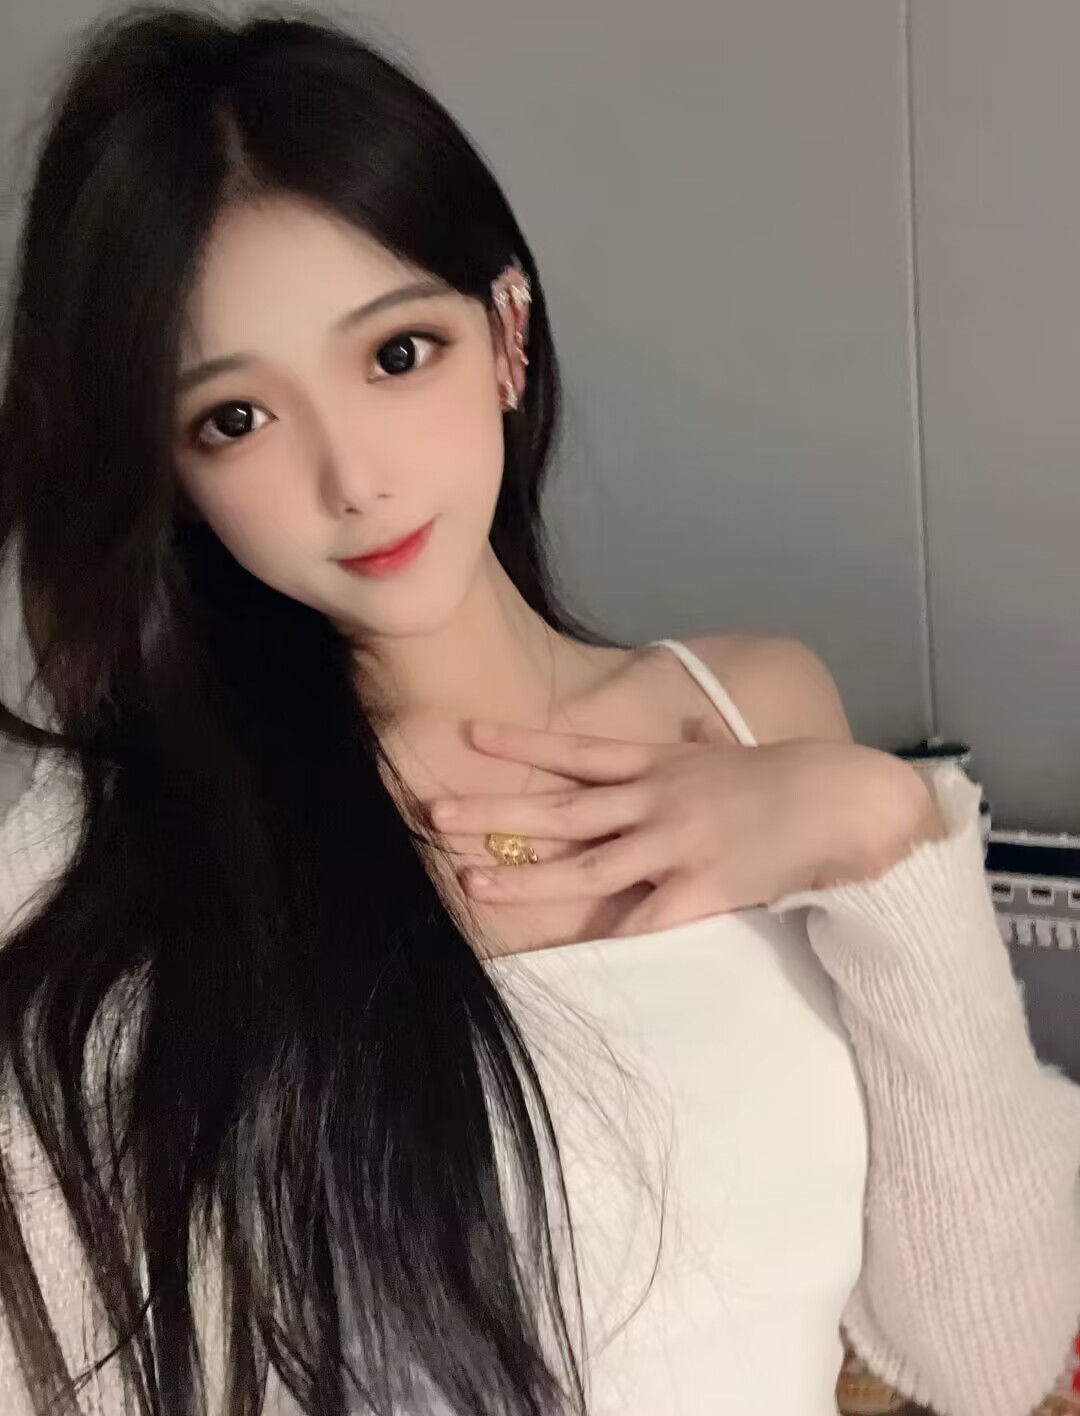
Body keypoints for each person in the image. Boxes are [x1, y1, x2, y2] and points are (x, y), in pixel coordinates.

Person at [0, 10, 1076, 1416]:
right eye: (236, 419)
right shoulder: (100, 869)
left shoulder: (757, 714)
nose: (354, 480)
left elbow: (986, 1357)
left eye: (397, 354)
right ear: (174, 475)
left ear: (506, 332)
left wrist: (880, 832)